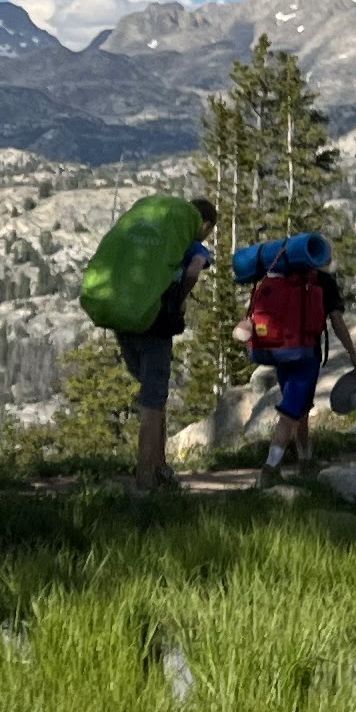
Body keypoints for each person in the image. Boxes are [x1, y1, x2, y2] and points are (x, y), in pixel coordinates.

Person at [115, 196, 219, 493]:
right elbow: (194, 270)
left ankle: (160, 465)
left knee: (151, 392)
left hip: (126, 317)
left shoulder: (155, 236)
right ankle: (145, 479)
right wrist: (180, 299)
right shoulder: (192, 244)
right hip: (156, 323)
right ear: (205, 225)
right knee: (153, 400)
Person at [237, 238, 356, 482]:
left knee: (300, 407)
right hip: (305, 354)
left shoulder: (279, 275)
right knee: (292, 409)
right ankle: (270, 469)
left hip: (278, 352)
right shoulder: (322, 281)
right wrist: (353, 356)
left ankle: (306, 460)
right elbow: (337, 322)